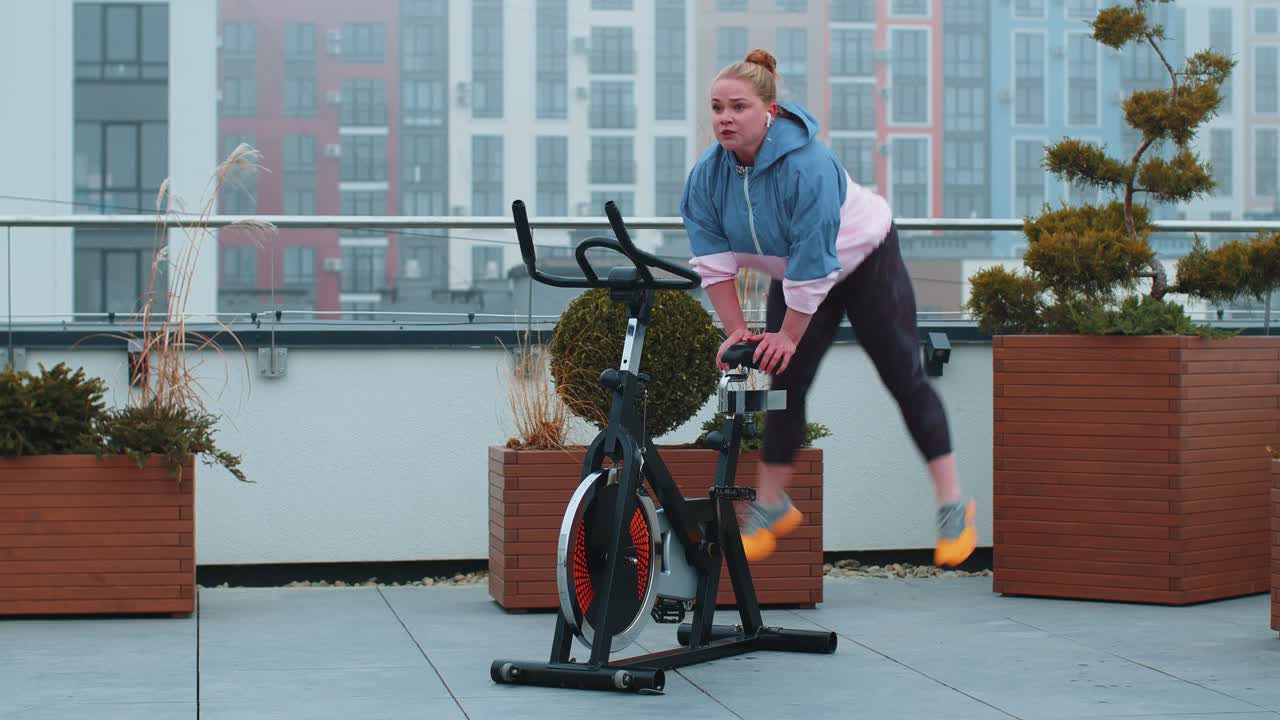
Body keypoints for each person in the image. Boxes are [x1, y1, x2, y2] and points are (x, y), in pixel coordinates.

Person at [679, 49, 977, 568]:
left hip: (863, 258)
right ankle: (772, 504)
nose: (725, 118)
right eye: (717, 107)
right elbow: (714, 261)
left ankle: (954, 505)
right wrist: (736, 331)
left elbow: (817, 258)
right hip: (797, 271)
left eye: (739, 107)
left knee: (903, 376)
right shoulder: (707, 177)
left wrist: (788, 334)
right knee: (784, 381)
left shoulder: (808, 167)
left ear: (769, 112)